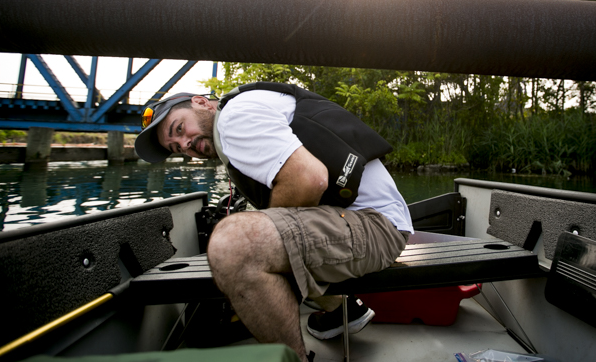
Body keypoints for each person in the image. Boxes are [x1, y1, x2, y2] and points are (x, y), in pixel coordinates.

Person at [134, 82, 413, 361]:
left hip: (375, 226)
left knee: (235, 245)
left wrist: (257, 235)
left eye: (179, 129)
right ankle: (343, 310)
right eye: (177, 149)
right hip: (373, 221)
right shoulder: (252, 106)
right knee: (257, 231)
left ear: (201, 102)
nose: (185, 145)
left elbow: (307, 178)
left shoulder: (233, 118)